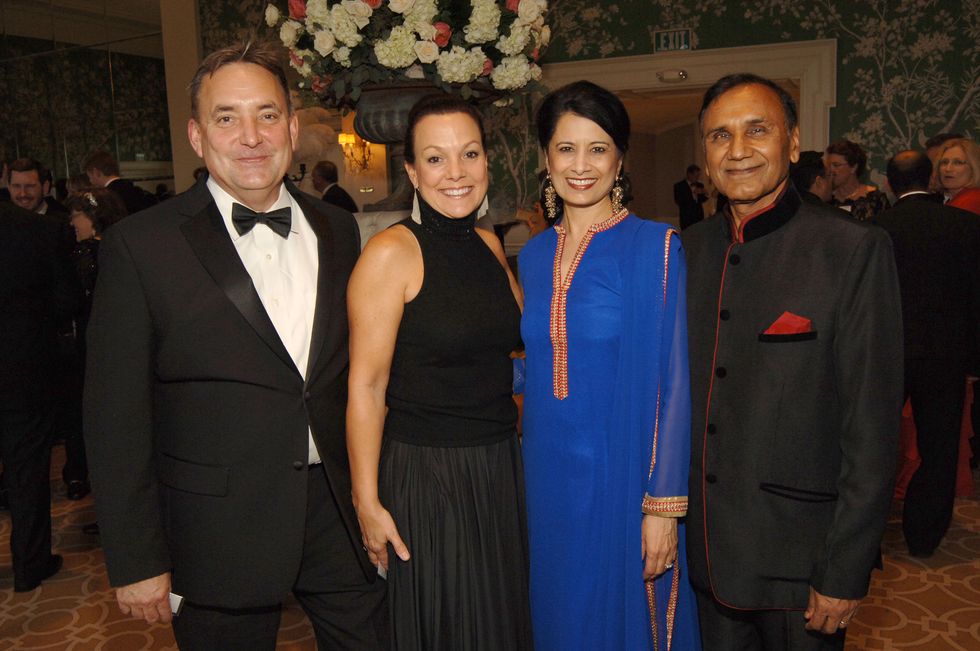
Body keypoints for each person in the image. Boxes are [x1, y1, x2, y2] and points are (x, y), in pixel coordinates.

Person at [84, 42, 386, 649]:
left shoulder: (337, 227)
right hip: (215, 531)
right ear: (198, 136)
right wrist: (137, 557)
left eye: (267, 115)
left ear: (293, 128)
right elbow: (115, 416)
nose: (251, 136)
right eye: (227, 117)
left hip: (338, 512)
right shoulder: (140, 246)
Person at [683, 73, 903, 650]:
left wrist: (845, 568)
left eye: (757, 130)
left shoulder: (852, 249)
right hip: (704, 555)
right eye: (719, 136)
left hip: (800, 564)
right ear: (704, 154)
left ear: (793, 141)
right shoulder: (686, 252)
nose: (737, 151)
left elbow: (873, 427)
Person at [519, 80, 700, 651]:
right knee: (559, 617)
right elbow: (543, 366)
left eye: (597, 149)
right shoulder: (532, 254)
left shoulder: (657, 248)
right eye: (566, 148)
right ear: (545, 158)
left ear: (620, 158)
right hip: (547, 477)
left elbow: (674, 385)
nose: (580, 165)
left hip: (621, 478)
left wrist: (663, 507)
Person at [346, 94, 531, 650]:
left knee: (501, 624)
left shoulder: (490, 244)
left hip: (499, 465)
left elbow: (520, 349)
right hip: (430, 477)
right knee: (453, 629)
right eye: (435, 158)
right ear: (411, 171)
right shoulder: (389, 253)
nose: (456, 173)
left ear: (486, 162)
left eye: (469, 154)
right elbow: (366, 386)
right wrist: (366, 501)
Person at [875, 150, 980, 557]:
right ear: (932, 178)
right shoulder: (967, 227)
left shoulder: (875, 228)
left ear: (888, 183)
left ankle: (870, 528)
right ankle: (925, 535)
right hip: (946, 355)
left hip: (887, 353)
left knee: (878, 443)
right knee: (939, 446)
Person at [0, 200, 79, 592]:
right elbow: (66, 303)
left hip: (24, 370)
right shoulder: (42, 230)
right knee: (27, 471)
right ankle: (30, 565)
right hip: (24, 369)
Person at [58, 189, 127, 504]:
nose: (72, 222)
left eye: (76, 215)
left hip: (92, 351)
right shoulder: (124, 249)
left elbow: (73, 302)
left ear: (92, 217)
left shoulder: (84, 254)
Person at [825, 139, 890, 220]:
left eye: (836, 165)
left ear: (853, 167)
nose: (830, 170)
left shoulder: (875, 199)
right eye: (828, 165)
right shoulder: (826, 199)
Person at [82, 150, 157, 215]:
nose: (90, 181)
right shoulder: (133, 189)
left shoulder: (107, 197)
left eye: (90, 177)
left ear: (96, 173)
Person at [934, 137, 980, 214]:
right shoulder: (953, 199)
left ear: (974, 168)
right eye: (944, 162)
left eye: (958, 163)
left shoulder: (972, 201)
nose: (948, 169)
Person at [674, 163, 709, 229]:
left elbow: (703, 200)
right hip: (686, 217)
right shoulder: (679, 186)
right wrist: (692, 193)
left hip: (699, 217)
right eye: (696, 176)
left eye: (698, 176)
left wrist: (705, 193)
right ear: (689, 174)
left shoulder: (700, 185)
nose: (697, 178)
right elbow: (678, 200)